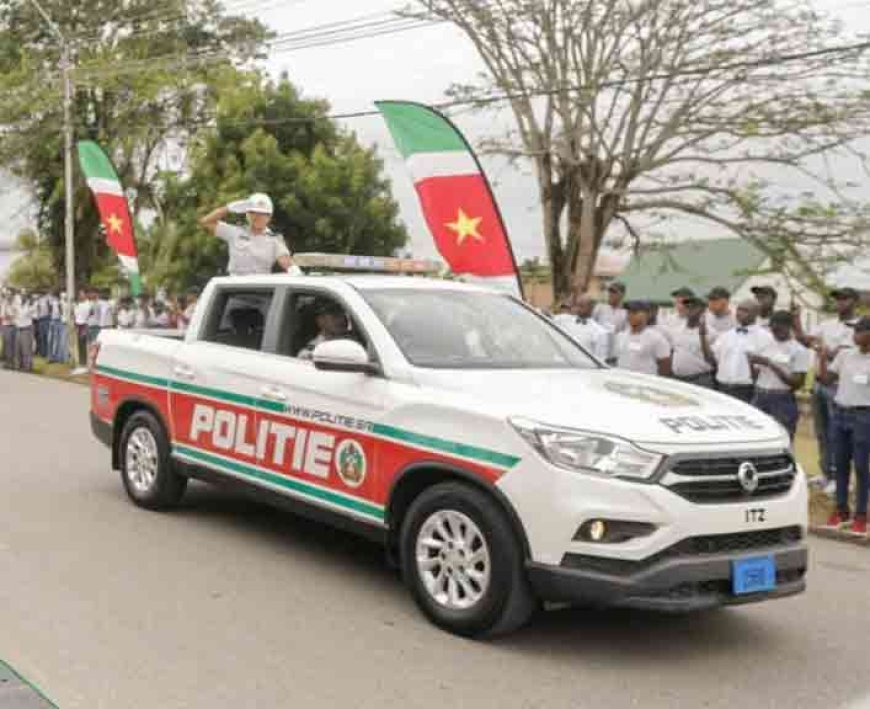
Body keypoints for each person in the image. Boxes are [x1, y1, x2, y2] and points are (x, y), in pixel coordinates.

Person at [801, 287, 860, 491]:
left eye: (844, 299)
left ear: (854, 301)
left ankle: (839, 477)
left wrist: (829, 351)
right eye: (837, 299)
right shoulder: (827, 324)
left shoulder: (859, 326)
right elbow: (806, 339)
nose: (840, 303)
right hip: (819, 381)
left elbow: (844, 355)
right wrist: (816, 343)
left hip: (838, 385)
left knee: (837, 433)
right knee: (822, 432)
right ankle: (826, 473)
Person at [816, 317, 870, 535]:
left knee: (861, 466)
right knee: (840, 464)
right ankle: (841, 510)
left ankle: (861, 515)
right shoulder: (845, 354)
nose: (854, 335)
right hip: (840, 414)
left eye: (859, 331)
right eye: (854, 330)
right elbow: (827, 379)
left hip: (863, 416)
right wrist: (821, 358)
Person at [199, 193, 297, 276]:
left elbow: (286, 263)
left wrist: (297, 274)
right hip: (234, 288)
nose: (257, 217)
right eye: (253, 212)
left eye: (262, 213)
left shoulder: (275, 239)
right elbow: (206, 222)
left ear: (269, 217)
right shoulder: (235, 232)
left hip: (260, 288)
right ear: (247, 214)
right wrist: (228, 208)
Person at [748, 310, 810, 440]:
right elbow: (755, 375)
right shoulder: (765, 345)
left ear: (789, 327)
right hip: (760, 395)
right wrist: (751, 363)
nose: (775, 333)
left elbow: (797, 383)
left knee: (782, 438)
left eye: (779, 329)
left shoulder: (799, 350)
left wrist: (770, 364)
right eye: (773, 329)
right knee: (756, 437)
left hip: (782, 399)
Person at [710, 299, 774, 402]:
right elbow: (713, 358)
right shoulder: (726, 335)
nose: (739, 313)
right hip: (722, 387)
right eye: (739, 309)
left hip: (746, 390)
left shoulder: (766, 338)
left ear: (756, 313)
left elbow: (765, 368)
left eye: (745, 310)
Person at [614, 300, 672, 376]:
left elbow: (665, 365)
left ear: (647, 314)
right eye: (628, 312)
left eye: (635, 312)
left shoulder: (656, 338)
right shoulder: (621, 336)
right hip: (623, 380)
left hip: (644, 383)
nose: (630, 315)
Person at [670, 296, 716, 388]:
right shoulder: (676, 330)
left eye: (693, 307)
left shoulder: (711, 333)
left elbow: (714, 360)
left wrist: (702, 336)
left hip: (699, 380)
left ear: (703, 310)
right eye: (687, 307)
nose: (689, 310)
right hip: (677, 379)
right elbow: (672, 352)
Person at [554, 294, 609, 360]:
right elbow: (546, 318)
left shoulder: (599, 331)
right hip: (563, 363)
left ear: (591, 308)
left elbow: (599, 357)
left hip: (583, 367)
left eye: (582, 306)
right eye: (577, 305)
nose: (578, 308)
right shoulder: (564, 319)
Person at [593, 281, 627, 363]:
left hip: (614, 355)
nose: (611, 294)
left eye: (614, 292)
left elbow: (625, 335)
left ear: (622, 294)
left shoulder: (625, 313)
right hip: (597, 351)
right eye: (610, 291)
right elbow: (591, 325)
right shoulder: (600, 308)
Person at [14, 293, 34, 372]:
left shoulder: (29, 307)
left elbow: (31, 315)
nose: (22, 298)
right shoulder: (18, 306)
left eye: (24, 297)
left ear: (26, 298)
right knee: (18, 349)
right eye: (21, 297)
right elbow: (16, 315)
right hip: (18, 329)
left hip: (26, 329)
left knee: (26, 349)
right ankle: (18, 366)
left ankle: (27, 367)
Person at [73, 289, 92, 366]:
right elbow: (75, 314)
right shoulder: (77, 304)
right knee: (80, 344)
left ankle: (89, 361)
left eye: (82, 294)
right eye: (79, 294)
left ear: (85, 295)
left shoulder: (89, 304)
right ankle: (82, 361)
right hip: (78, 325)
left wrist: (87, 323)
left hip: (85, 325)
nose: (80, 296)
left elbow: (91, 314)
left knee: (88, 343)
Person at [1, 290, 17, 370]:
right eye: (7, 294)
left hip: (14, 326)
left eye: (10, 294)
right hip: (6, 326)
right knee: (7, 345)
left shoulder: (15, 303)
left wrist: (11, 316)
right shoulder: (4, 304)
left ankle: (12, 363)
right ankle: (7, 363)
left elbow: (17, 314)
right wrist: (12, 316)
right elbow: (3, 316)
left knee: (13, 345)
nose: (9, 296)